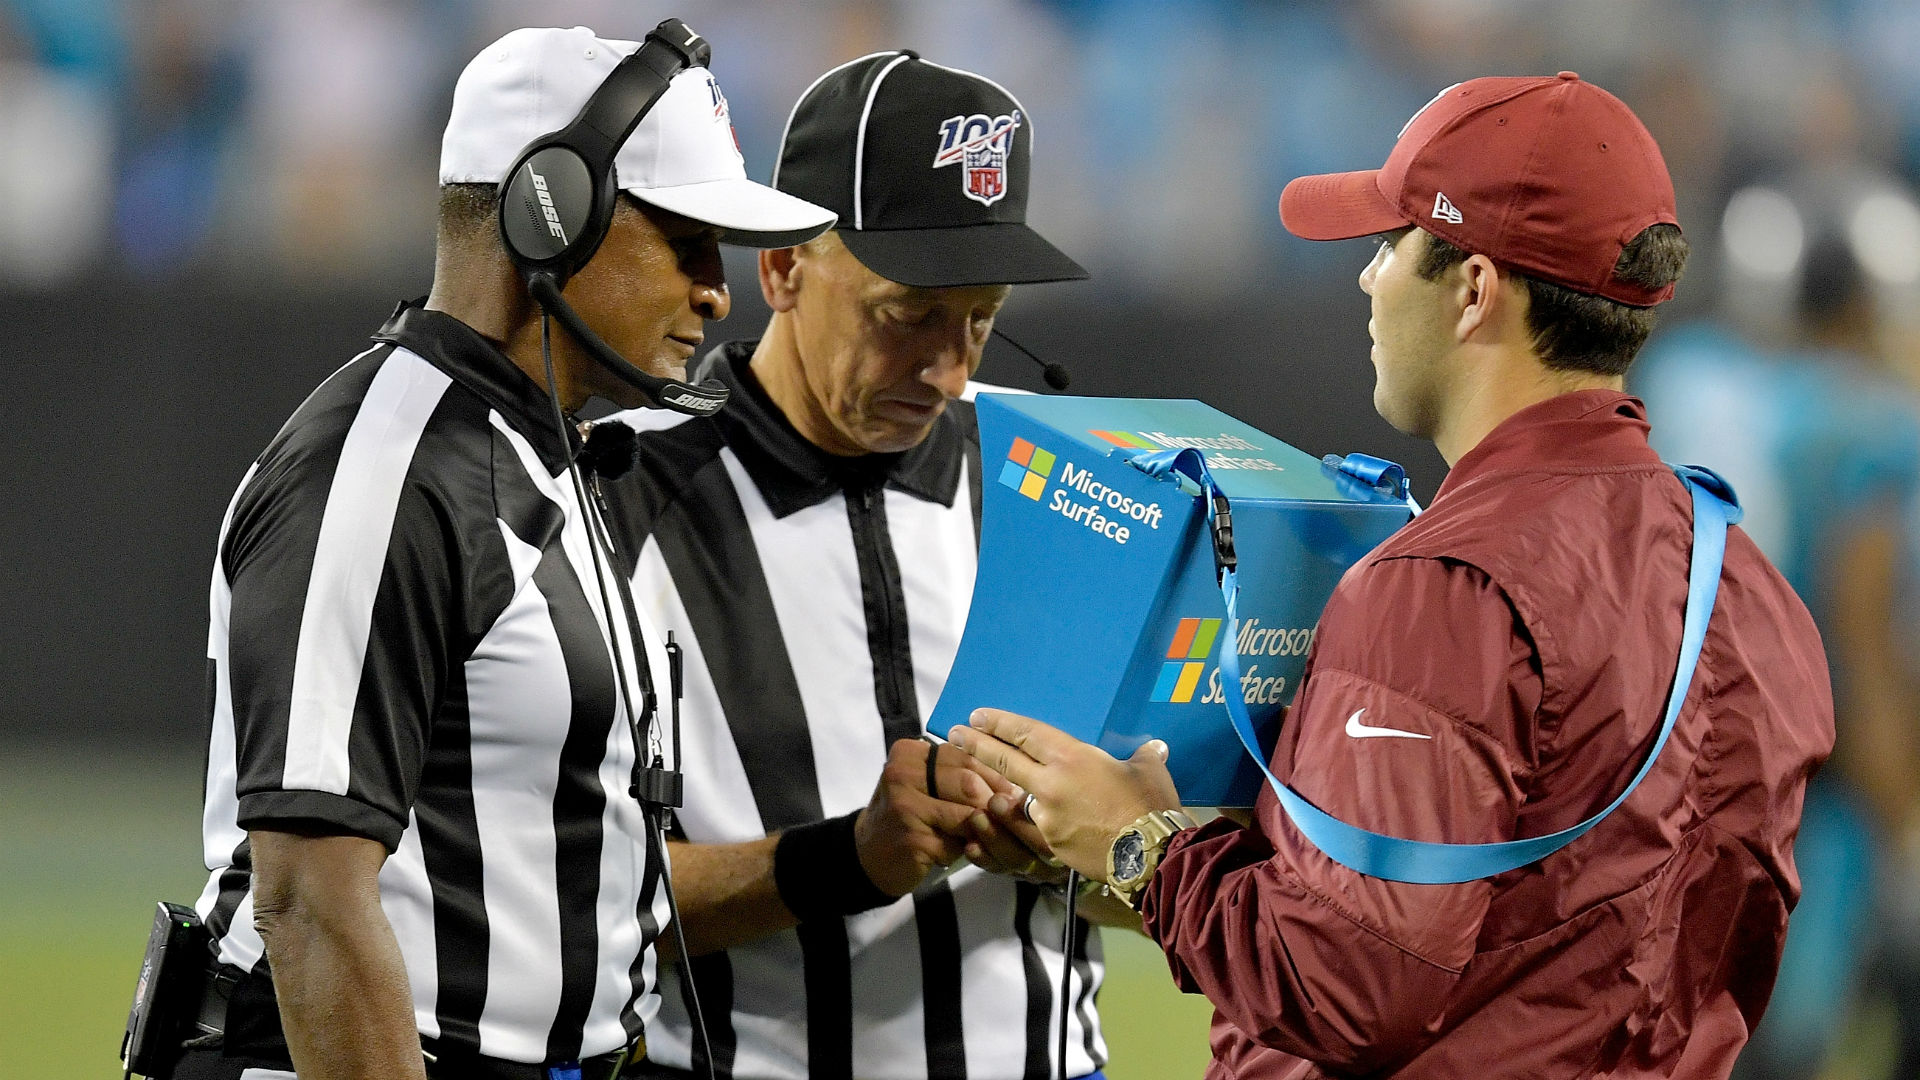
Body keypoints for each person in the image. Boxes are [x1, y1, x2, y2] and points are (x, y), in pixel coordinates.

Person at [949, 73, 1835, 1078]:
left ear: (1472, 292)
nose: (1368, 280)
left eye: (1389, 246)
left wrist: (1140, 844)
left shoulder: (1442, 586)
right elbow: (1569, 930)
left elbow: (1352, 984)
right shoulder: (1751, 587)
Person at [174, 26, 833, 1080]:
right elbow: (307, 901)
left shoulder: (546, 452)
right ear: (552, 216)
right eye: (686, 240)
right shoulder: (382, 470)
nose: (719, 290)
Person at [597, 51, 1116, 1080]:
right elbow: (550, 903)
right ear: (782, 267)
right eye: (907, 314)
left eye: (982, 318)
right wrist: (845, 858)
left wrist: (1090, 834)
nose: (951, 369)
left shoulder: (1065, 492)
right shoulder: (613, 497)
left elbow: (1196, 855)